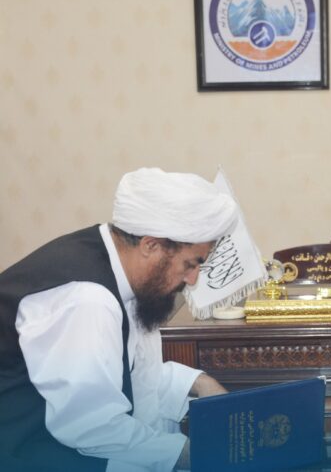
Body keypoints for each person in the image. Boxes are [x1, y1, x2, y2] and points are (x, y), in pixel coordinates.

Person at [0, 168, 239, 472]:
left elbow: (130, 372)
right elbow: (92, 427)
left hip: (63, 438)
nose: (192, 280)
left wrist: (200, 384)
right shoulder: (87, 300)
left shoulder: (119, 265)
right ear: (151, 245)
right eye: (190, 264)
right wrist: (194, 455)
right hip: (22, 450)